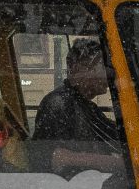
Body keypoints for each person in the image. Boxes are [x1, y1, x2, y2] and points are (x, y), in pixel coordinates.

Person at [32, 38, 125, 175]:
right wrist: (112, 162)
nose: (111, 75)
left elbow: (116, 134)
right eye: (104, 67)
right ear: (80, 68)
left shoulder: (87, 106)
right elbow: (54, 157)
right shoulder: (59, 103)